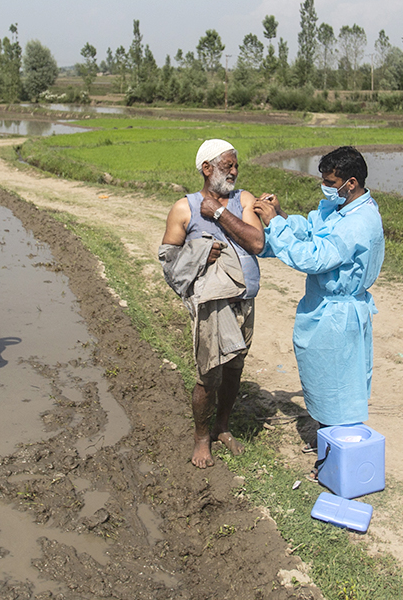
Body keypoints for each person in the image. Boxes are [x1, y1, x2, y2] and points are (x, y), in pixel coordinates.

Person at [253, 146, 385, 474]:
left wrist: (276, 228)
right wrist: (281, 219)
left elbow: (314, 257)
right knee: (324, 382)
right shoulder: (340, 208)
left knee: (340, 388)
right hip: (323, 307)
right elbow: (312, 229)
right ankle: (329, 443)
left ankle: (340, 459)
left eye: (330, 182)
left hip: (338, 315)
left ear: (350, 183)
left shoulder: (359, 223)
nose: (325, 188)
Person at [159, 139, 264, 468]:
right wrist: (200, 252)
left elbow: (256, 242)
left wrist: (218, 214)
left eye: (236, 166)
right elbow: (167, 260)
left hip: (244, 301)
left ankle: (222, 428)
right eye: (227, 166)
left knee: (235, 368)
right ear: (206, 169)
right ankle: (201, 438)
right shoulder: (184, 208)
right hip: (212, 306)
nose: (234, 171)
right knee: (209, 374)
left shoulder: (242, 200)